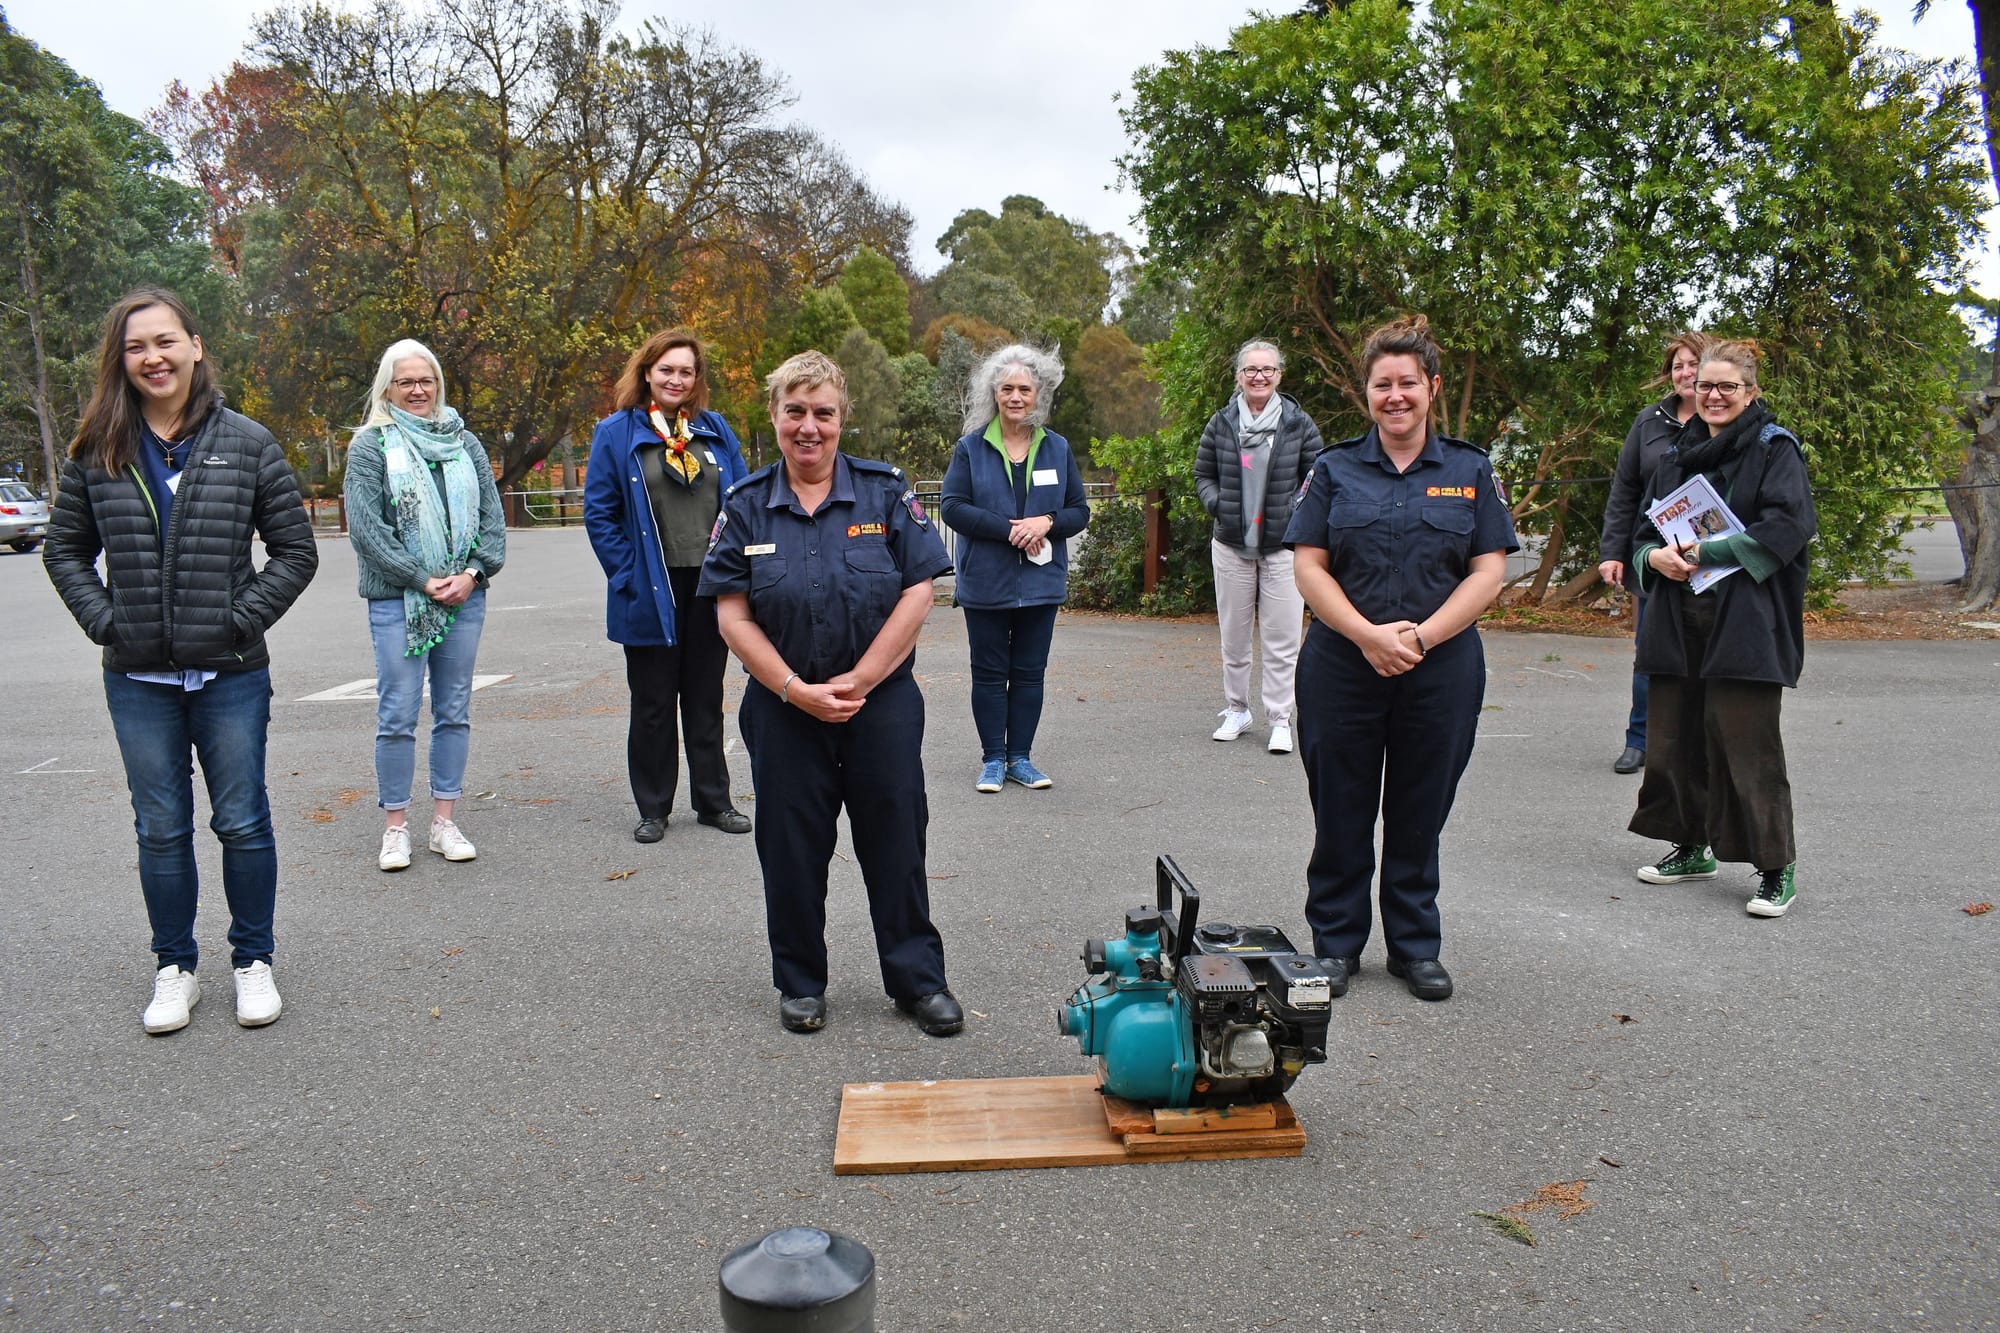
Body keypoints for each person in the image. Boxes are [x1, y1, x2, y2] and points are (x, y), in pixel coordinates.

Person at [43, 288, 318, 1034]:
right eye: (136, 347)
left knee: (242, 820)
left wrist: (236, 621)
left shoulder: (248, 442)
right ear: (120, 360)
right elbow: (65, 551)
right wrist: (108, 622)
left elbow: (295, 552)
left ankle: (252, 962)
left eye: (165, 341)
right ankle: (176, 968)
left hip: (231, 674)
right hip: (137, 679)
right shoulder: (98, 448)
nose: (153, 357)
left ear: (195, 346)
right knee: (160, 827)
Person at [698, 350, 962, 1037]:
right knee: (791, 848)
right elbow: (732, 615)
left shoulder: (883, 493)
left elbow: (918, 590)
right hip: (784, 710)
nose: (808, 427)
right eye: (795, 411)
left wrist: (863, 677)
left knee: (896, 842)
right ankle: (800, 983)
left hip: (881, 705)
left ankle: (918, 981)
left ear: (842, 417)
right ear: (775, 415)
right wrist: (793, 689)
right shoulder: (746, 505)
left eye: (823, 412)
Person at [1284, 315, 1517, 1002]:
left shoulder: (1470, 470)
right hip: (1342, 664)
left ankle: (1415, 947)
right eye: (1381, 384)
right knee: (1341, 809)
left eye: (1407, 383)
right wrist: (1368, 635)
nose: (1395, 396)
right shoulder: (1333, 469)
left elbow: (1488, 571)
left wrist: (1419, 639)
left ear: (1432, 388)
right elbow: (1309, 566)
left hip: (1439, 668)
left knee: (1421, 808)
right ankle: (1336, 944)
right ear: (1366, 394)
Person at [1628, 340, 1814, 918]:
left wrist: (1705, 551)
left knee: (1747, 745)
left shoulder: (1775, 449)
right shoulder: (1674, 454)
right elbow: (1642, 535)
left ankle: (1776, 868)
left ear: (1750, 392)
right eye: (1705, 385)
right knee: (1674, 739)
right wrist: (1653, 559)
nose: (1713, 395)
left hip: (1746, 621)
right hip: (1678, 618)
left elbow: (1788, 527)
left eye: (1727, 386)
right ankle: (1692, 847)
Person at [344, 338, 507, 872]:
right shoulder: (370, 446)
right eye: (406, 381)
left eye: (426, 380)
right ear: (387, 389)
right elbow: (367, 531)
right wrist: (423, 579)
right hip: (399, 599)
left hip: (465, 596)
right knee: (397, 712)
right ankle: (396, 827)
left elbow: (492, 521)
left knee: (454, 710)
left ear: (437, 384)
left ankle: (443, 821)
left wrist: (473, 574)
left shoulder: (465, 442)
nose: (418, 390)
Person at [584, 329, 752, 843]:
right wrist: (627, 576)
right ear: (647, 372)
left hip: (709, 586)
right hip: (650, 588)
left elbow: (743, 500)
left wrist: (741, 570)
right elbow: (600, 514)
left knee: (705, 698)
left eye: (686, 371)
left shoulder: (714, 429)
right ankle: (653, 807)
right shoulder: (616, 432)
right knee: (653, 704)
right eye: (667, 370)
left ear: (697, 379)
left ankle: (713, 801)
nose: (676, 380)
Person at [939, 343, 1090, 792]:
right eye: (1007, 389)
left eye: (1024, 389)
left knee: (1028, 674)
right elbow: (952, 507)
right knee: (988, 674)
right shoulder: (970, 448)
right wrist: (1010, 530)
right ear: (994, 393)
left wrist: (1047, 522)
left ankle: (1020, 758)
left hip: (1041, 584)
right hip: (985, 582)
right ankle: (992, 759)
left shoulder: (1057, 448)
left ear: (1038, 394)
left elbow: (1079, 511)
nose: (1016, 397)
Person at [1196, 338, 1324, 753]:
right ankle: (1237, 709)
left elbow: (1316, 478)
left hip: (1283, 547)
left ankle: (1280, 719)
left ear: (1279, 375)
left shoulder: (1298, 424)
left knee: (1282, 640)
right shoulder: (1221, 422)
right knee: (1233, 638)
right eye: (1251, 369)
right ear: (1239, 376)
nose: (1259, 376)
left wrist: (1291, 513)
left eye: (1267, 369)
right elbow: (1203, 474)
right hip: (1231, 544)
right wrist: (1220, 506)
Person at [1599, 332, 1713, 775]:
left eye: (1694, 364)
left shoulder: (1728, 420)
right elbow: (1625, 490)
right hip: (1655, 560)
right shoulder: (1649, 422)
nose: (1686, 373)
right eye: (1678, 366)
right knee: (1651, 651)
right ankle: (1640, 739)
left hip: (1713, 560)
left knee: (1710, 653)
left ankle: (1701, 741)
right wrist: (1613, 552)